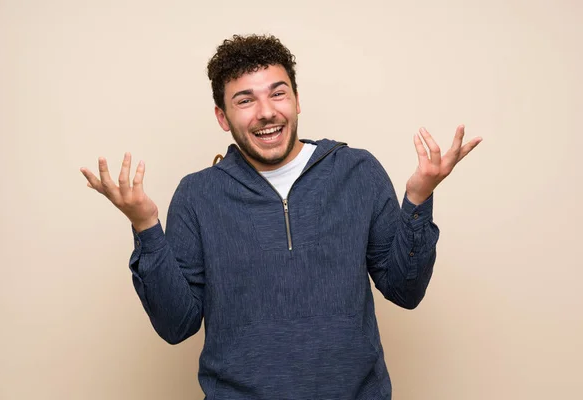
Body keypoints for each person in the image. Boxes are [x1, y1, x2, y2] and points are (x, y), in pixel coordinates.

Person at [80, 34, 481, 399]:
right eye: (245, 100)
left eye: (278, 94)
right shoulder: (197, 195)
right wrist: (145, 226)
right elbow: (176, 325)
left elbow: (404, 291)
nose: (266, 112)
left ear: (297, 99)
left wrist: (417, 198)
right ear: (222, 117)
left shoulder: (357, 172)